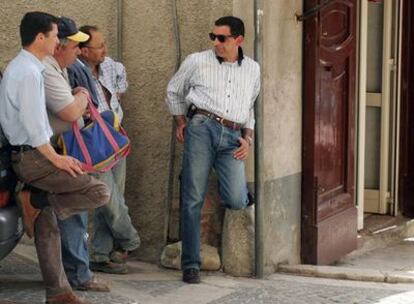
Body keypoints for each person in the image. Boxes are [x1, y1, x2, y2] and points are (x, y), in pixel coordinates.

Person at [0, 12, 110, 304]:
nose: (56, 41)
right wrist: (57, 160)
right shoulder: (28, 72)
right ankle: (33, 200)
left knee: (46, 224)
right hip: (33, 157)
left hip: (32, 154)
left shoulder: (28, 67)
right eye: (52, 36)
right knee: (99, 191)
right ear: (40, 38)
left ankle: (58, 291)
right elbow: (36, 127)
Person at [165, 16, 260, 284]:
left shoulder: (253, 69)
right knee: (192, 197)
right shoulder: (197, 61)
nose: (216, 42)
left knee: (236, 200)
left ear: (238, 40)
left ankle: (239, 188)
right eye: (213, 37)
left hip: (233, 135)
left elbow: (250, 107)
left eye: (222, 38)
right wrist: (182, 122)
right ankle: (191, 264)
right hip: (202, 128)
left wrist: (248, 139)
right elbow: (173, 91)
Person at [42, 16, 111, 291]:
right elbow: (74, 109)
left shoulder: (68, 68)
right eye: (74, 45)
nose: (77, 50)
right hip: (60, 148)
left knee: (74, 210)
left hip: (68, 145)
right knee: (77, 206)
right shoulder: (51, 69)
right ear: (59, 45)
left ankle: (75, 272)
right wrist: (79, 97)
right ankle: (79, 275)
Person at [72, 25, 140, 273]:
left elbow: (122, 80)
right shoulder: (75, 71)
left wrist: (115, 100)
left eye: (104, 44)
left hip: (115, 138)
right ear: (83, 51)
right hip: (94, 141)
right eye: (99, 46)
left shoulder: (110, 65)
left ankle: (99, 255)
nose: (105, 50)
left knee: (112, 198)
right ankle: (131, 240)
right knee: (108, 197)